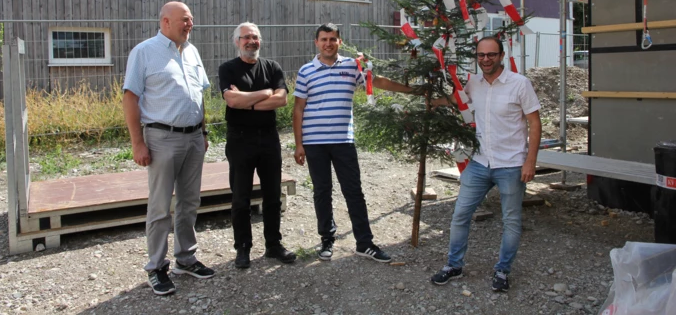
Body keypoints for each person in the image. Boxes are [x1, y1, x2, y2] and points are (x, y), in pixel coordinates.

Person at [292, 23, 417, 263]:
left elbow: (378, 81)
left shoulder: (352, 66)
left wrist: (413, 90)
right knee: (322, 192)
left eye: (333, 39)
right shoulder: (306, 71)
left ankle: (364, 243)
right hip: (315, 143)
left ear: (340, 41)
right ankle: (327, 240)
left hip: (343, 141)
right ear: (316, 43)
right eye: (324, 39)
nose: (328, 43)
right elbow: (298, 109)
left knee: (354, 192)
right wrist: (299, 145)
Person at [429, 36, 542, 292]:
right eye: (481, 55)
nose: (486, 59)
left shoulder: (519, 84)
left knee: (511, 220)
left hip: (511, 165)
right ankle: (454, 265)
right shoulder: (473, 84)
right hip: (479, 164)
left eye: (491, 55)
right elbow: (456, 101)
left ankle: (502, 270)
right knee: (460, 215)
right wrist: (432, 102)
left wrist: (530, 161)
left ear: (501, 55)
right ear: (476, 57)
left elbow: (535, 123)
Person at [123, 1, 214, 296]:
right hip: (162, 138)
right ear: (165, 22)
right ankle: (156, 267)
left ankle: (185, 259)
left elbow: (198, 95)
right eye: (184, 20)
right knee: (161, 206)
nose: (189, 25)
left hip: (193, 138)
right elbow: (130, 98)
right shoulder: (144, 52)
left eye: (191, 20)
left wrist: (203, 131)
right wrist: (138, 143)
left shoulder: (192, 51)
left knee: (189, 202)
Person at [218, 22, 296, 269]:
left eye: (255, 37)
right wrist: (265, 93)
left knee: (273, 194)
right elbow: (231, 100)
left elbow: (281, 99)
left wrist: (247, 101)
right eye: (246, 37)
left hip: (268, 137)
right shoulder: (228, 68)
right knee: (240, 196)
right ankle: (243, 248)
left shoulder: (272, 67)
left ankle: (273, 244)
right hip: (240, 138)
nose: (251, 41)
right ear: (236, 42)